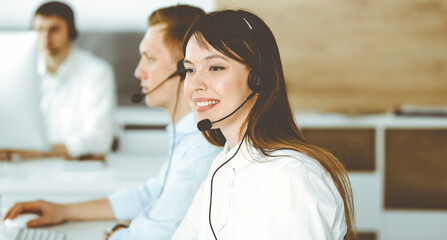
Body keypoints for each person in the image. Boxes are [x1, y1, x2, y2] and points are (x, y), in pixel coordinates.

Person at [3, 5, 221, 240]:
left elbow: (159, 233)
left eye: (150, 58)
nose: (139, 72)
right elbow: (152, 193)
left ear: (184, 69)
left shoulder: (202, 149)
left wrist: (113, 233)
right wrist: (65, 210)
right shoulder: (186, 135)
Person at [172, 10, 356, 240]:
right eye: (190, 70)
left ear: (258, 79)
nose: (195, 84)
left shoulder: (293, 176)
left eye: (215, 67)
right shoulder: (223, 166)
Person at [0, 1, 116, 160]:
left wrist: (40, 151)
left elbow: (100, 140)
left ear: (71, 31)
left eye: (53, 29)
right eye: (39, 30)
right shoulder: (17, 73)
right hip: (25, 167)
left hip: (74, 171)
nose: (45, 37)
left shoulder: (96, 72)